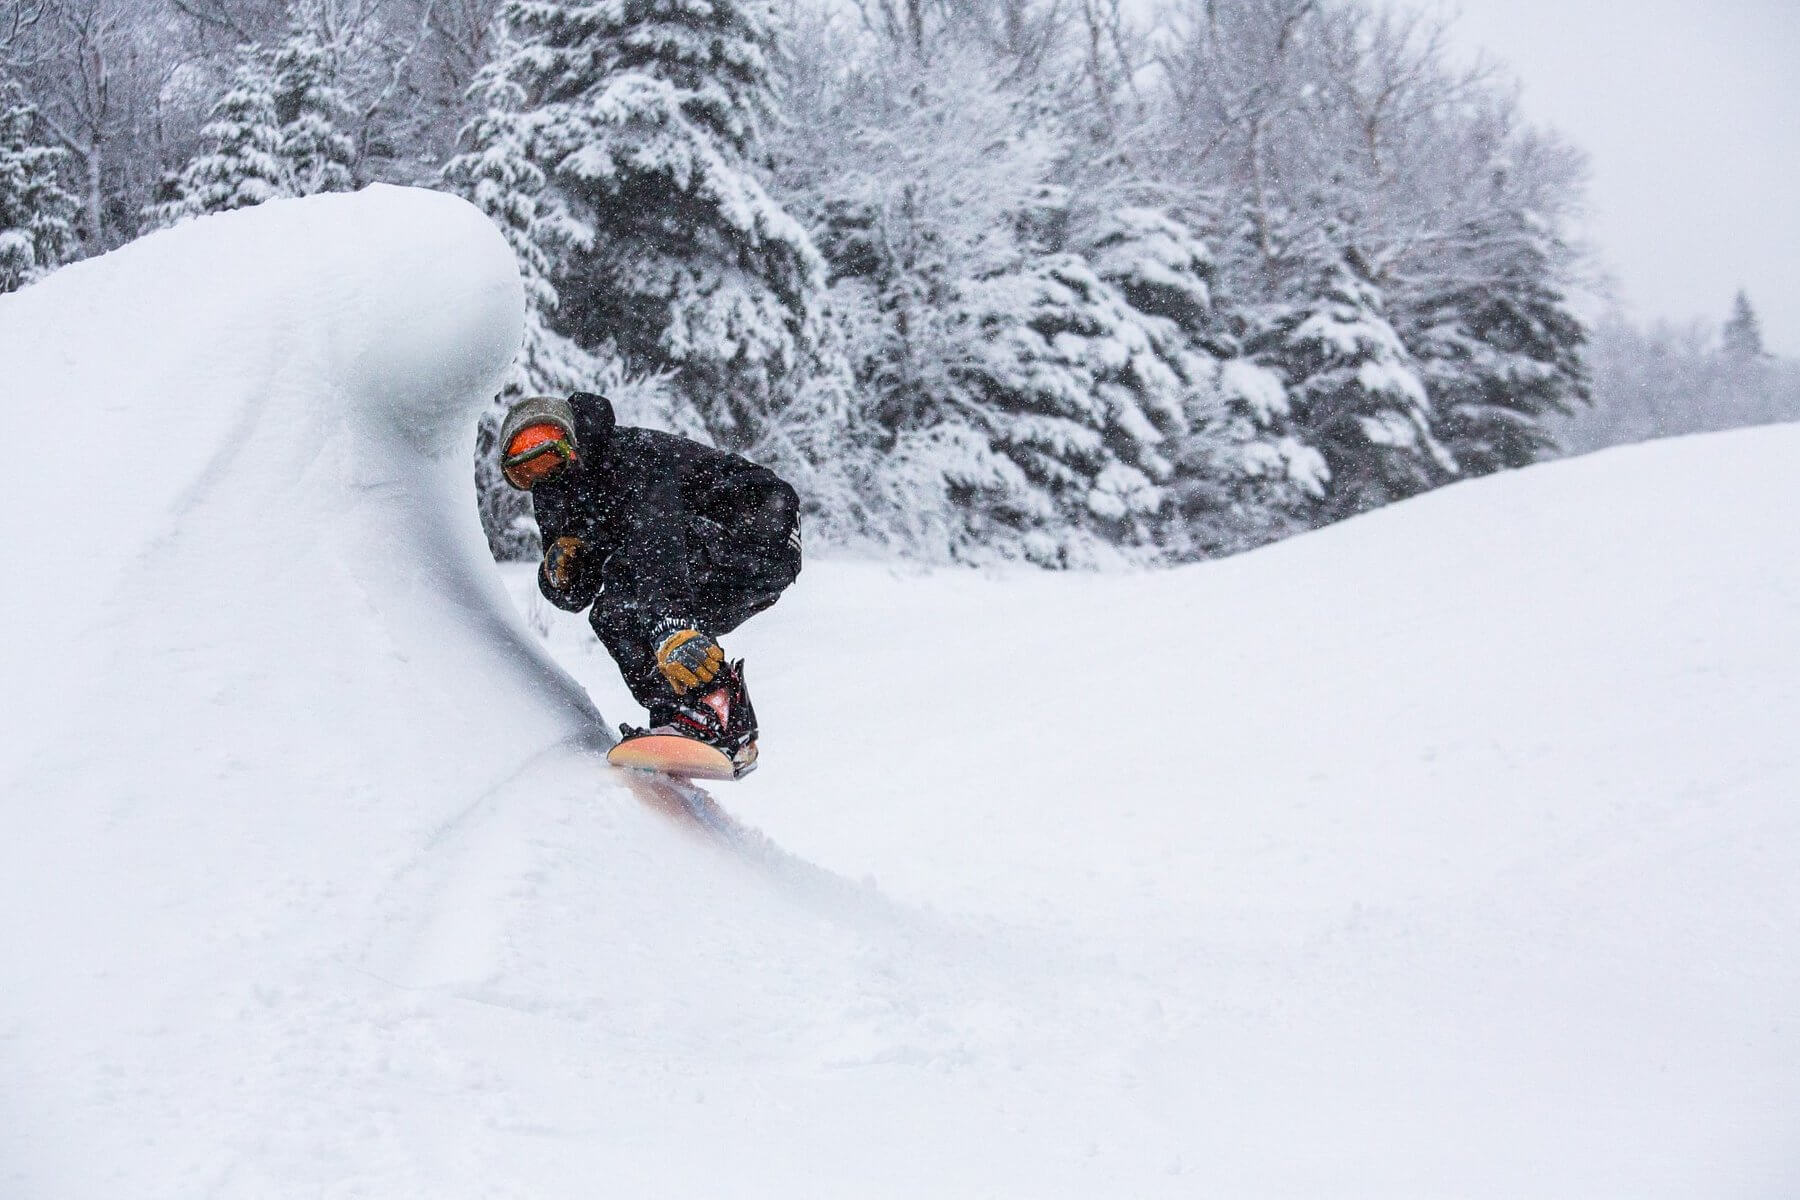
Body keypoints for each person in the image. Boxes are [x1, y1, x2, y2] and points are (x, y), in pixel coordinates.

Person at [497, 392, 801, 775]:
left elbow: (658, 534)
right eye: (526, 471)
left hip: (759, 526)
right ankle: (692, 715)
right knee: (611, 613)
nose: (543, 473)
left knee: (632, 580)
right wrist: (560, 573)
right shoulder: (555, 496)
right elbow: (579, 596)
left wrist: (672, 625)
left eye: (549, 453)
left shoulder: (628, 456)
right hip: (694, 560)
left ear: (571, 441)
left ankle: (709, 699)